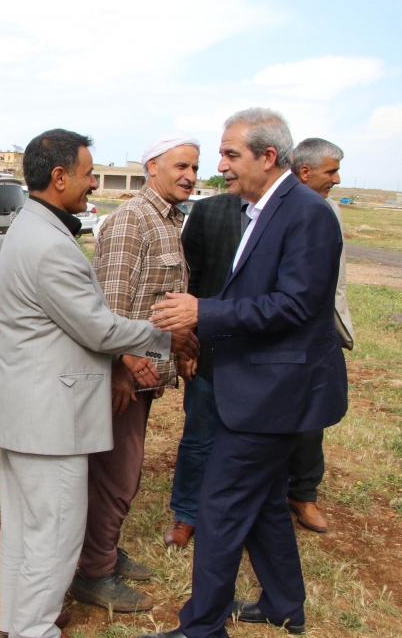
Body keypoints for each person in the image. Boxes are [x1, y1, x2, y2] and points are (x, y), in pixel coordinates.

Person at [143, 108, 348, 638]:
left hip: (273, 394)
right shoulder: (258, 208)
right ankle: (284, 605)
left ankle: (203, 626)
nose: (221, 165)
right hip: (252, 386)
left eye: (232, 154)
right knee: (263, 506)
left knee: (221, 507)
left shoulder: (307, 214)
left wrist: (202, 312)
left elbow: (296, 305)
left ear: (268, 156)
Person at [0, 128, 174, 638]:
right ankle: (35, 628)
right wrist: (167, 336)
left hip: (29, 410)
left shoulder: (35, 227)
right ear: (59, 176)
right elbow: (100, 327)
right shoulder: (50, 244)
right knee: (56, 533)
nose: (94, 182)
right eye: (89, 173)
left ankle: (19, 622)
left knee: (27, 530)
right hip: (49, 418)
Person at [72, 134, 200, 612]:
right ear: (152, 167)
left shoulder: (168, 218)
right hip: (125, 371)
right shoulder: (133, 219)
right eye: (181, 165)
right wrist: (119, 369)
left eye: (195, 167)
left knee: (116, 473)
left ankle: (100, 548)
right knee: (117, 475)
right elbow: (109, 303)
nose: (190, 175)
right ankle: (94, 571)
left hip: (147, 370)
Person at [163, 191, 246, 549]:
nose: (224, 166)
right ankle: (186, 514)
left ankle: (238, 517)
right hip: (210, 349)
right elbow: (188, 282)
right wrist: (186, 344)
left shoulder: (284, 215)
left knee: (249, 444)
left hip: (260, 353)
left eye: (234, 155)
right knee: (199, 438)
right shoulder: (210, 211)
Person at [288, 137, 354, 532]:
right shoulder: (271, 209)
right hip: (276, 330)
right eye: (331, 171)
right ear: (305, 171)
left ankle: (304, 493)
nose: (338, 179)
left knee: (313, 417)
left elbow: (337, 277)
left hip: (319, 331)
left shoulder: (330, 210)